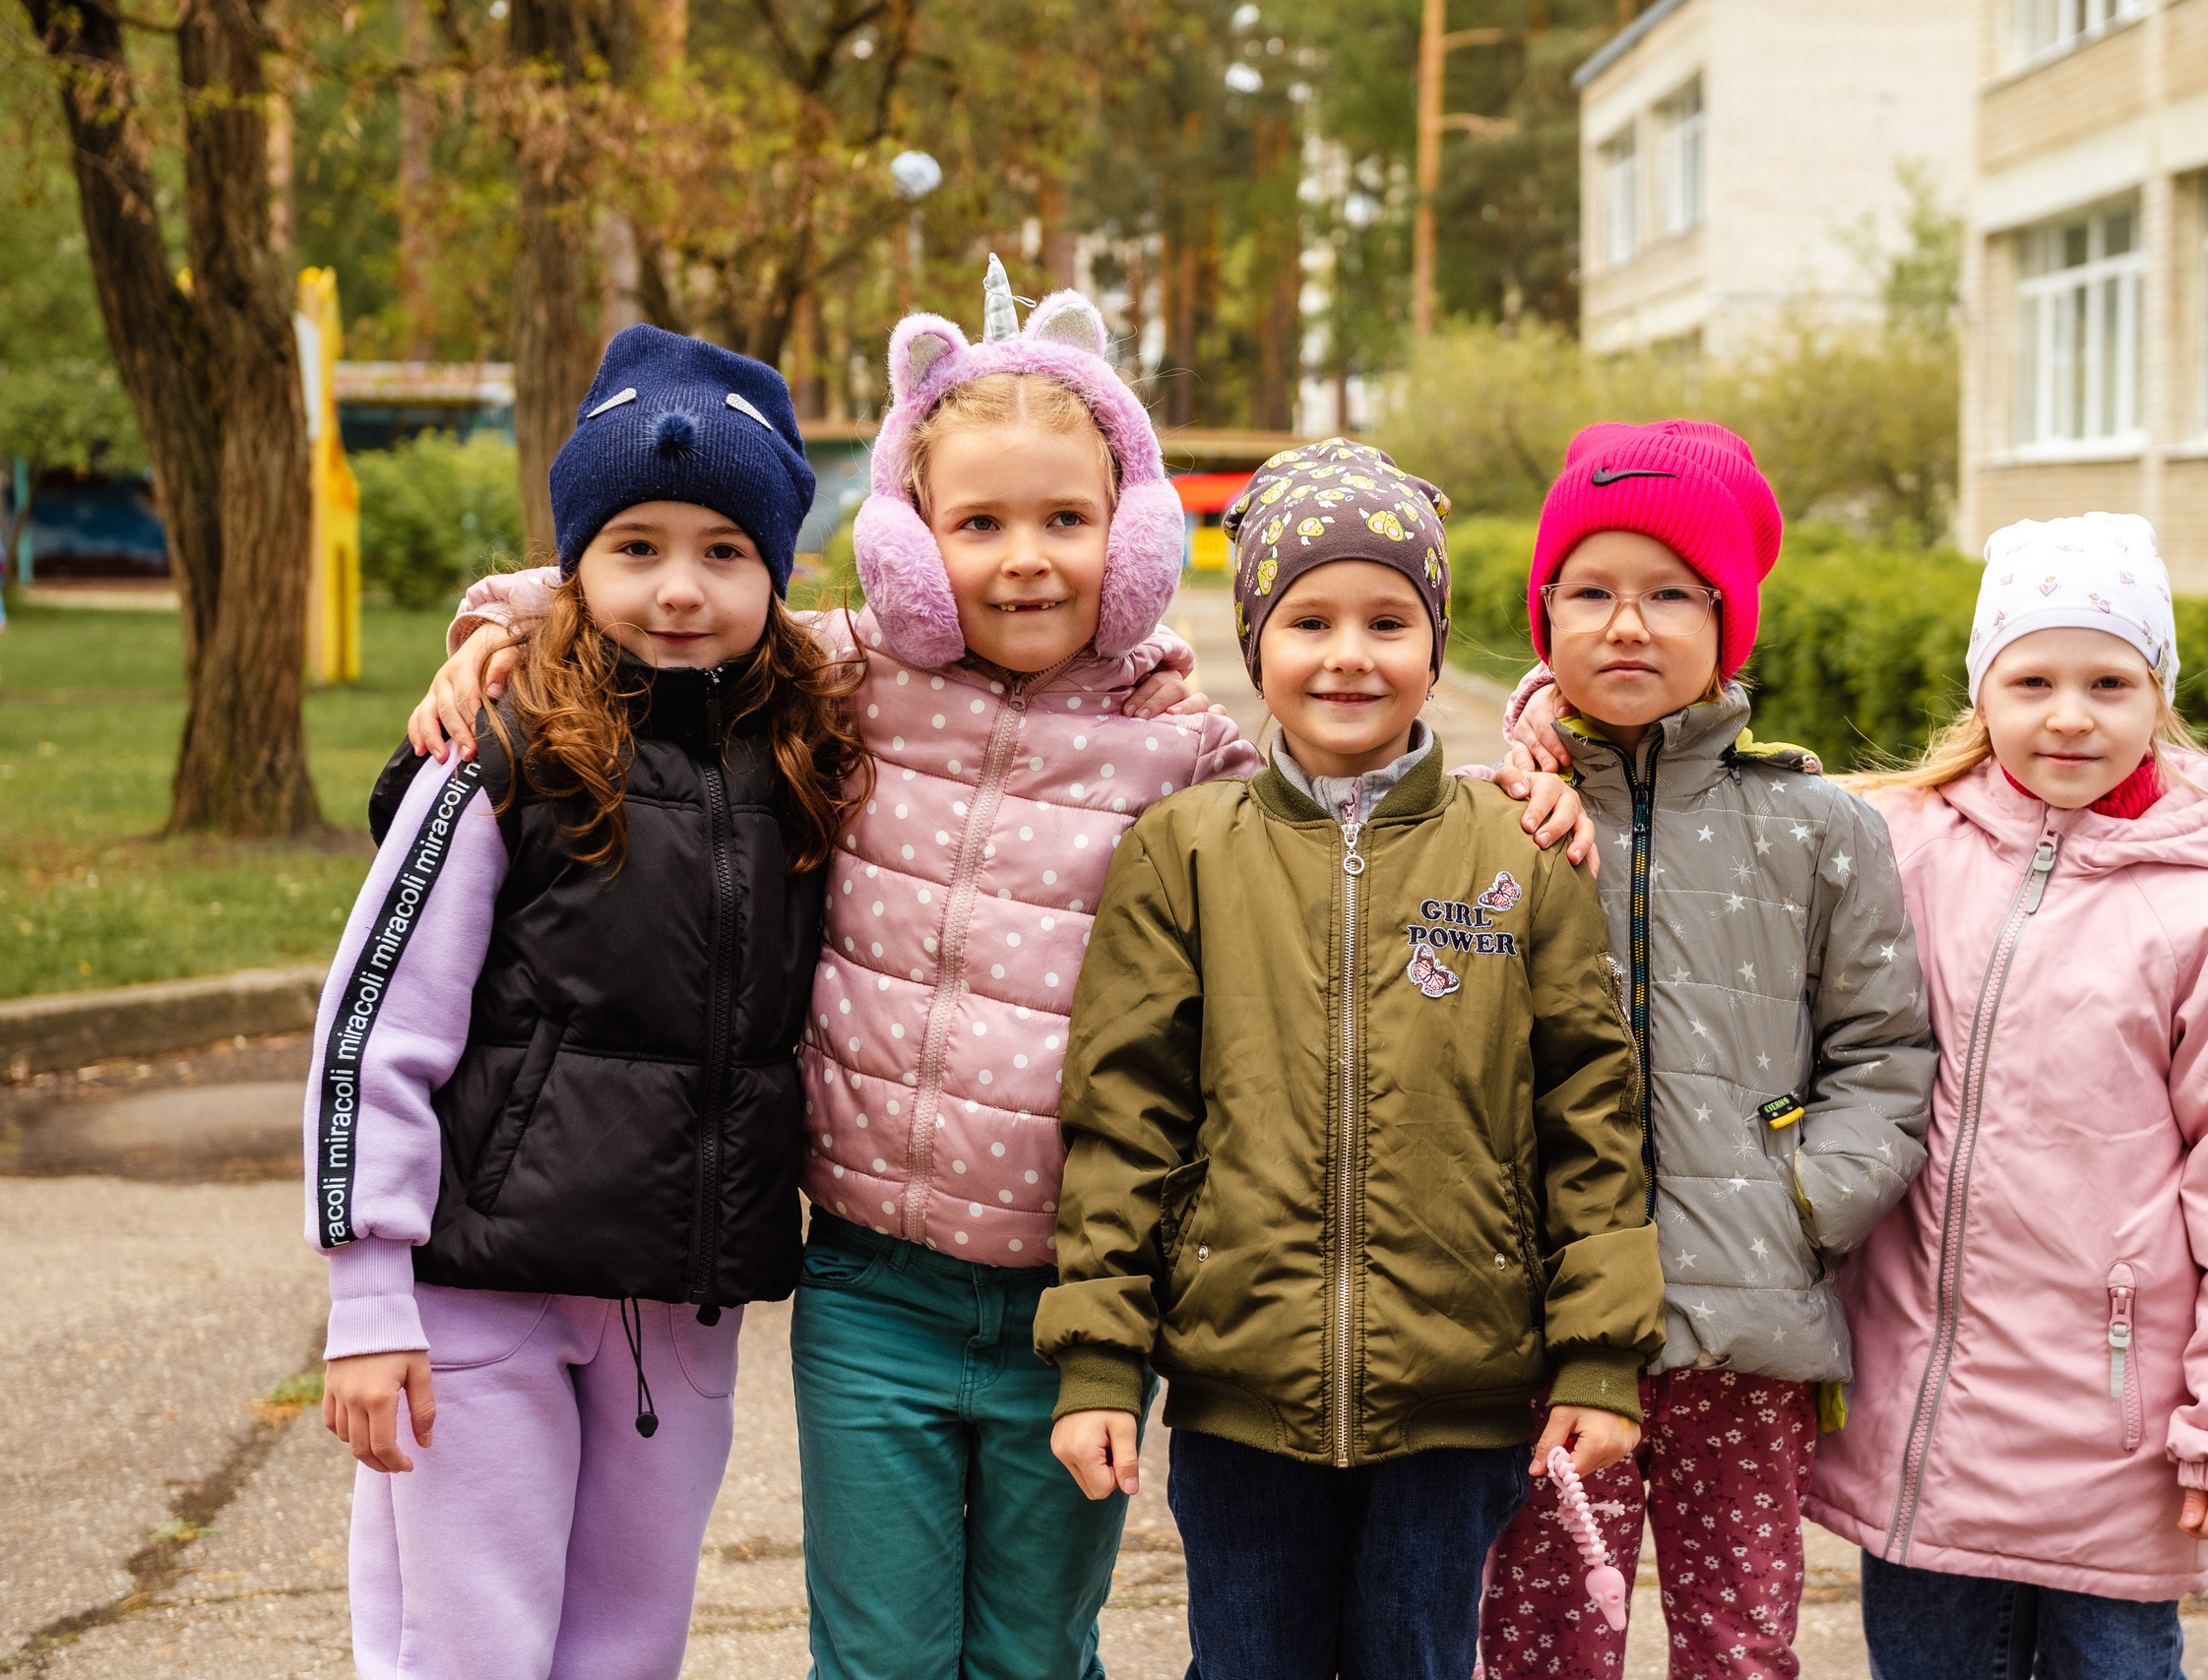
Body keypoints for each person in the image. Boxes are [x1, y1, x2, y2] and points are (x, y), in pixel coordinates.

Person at [410, 271, 1594, 1679]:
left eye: (1065, 521)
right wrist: (508, 621)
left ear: (1132, 537)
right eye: (977, 524)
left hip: (1076, 1305)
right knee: (880, 1658)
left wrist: (1525, 755)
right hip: (872, 1285)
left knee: (1037, 1653)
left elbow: (1345, 794)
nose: (1025, 560)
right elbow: (689, 600)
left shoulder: (1184, 752)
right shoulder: (843, 679)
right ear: (909, 545)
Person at [1037, 438, 1665, 1680]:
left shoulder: (1520, 852)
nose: (1348, 655)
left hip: (1457, 1396)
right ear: (1253, 639)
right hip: (1240, 1391)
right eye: (1308, 619)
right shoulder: (1184, 851)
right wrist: (1101, 1358)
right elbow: (1122, 1118)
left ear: (1436, 644)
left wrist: (1598, 1355)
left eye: (1388, 620)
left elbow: (1589, 1114)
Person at [309, 325, 861, 1680]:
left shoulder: (810, 745)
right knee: (470, 1645)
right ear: (575, 566)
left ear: (776, 572)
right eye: (635, 546)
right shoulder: (496, 747)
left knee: (627, 1645)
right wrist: (368, 1297)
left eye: (723, 550)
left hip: (677, 1308)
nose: (678, 587)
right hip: (482, 1292)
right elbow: (374, 1027)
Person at [1814, 513, 2208, 1679]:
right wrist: (1552, 729)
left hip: (2114, 1444)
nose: (2069, 715)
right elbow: (1717, 821)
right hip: (1918, 1432)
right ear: (1982, 691)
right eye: (2033, 681)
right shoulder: (1897, 847)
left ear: (2157, 695)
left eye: (2108, 682)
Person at [1482, 421, 1937, 1679]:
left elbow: (1883, 1052)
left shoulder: (1817, 826)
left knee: (1738, 1646)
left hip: (1748, 1327)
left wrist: (1803, 1201)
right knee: (1538, 1645)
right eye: (1589, 592)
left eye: (1671, 595)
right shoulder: (1501, 815)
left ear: (1729, 622)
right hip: (1546, 1323)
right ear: (1544, 616)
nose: (1627, 625)